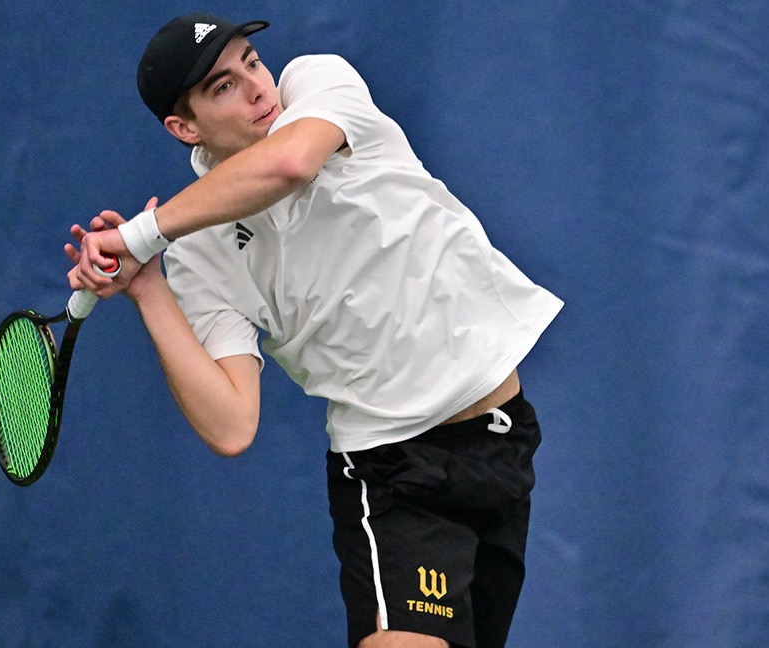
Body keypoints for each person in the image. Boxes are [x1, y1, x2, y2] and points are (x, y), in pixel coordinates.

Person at [65, 12, 564, 648]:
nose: (255, 87)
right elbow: (231, 424)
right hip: (392, 475)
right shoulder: (200, 251)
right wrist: (148, 287)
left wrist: (141, 234)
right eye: (222, 86)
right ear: (183, 127)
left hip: (501, 442)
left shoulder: (318, 84)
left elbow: (292, 162)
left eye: (250, 62)